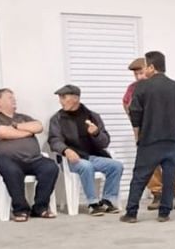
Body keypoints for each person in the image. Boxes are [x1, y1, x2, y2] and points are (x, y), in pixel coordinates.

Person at [121, 50, 175, 223]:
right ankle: (164, 213)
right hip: (173, 140)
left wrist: (138, 135)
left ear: (152, 67)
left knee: (139, 177)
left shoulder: (142, 87)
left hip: (150, 140)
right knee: (170, 178)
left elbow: (135, 113)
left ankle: (131, 213)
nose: (143, 70)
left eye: (145, 66)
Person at [0, 88, 59, 221]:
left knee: (51, 167)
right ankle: (21, 210)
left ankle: (40, 208)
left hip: (33, 159)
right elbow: (2, 132)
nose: (14, 100)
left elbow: (38, 127)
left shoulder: (23, 117)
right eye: (10, 97)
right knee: (12, 170)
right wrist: (27, 131)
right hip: (7, 160)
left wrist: (16, 126)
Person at [47, 85, 123, 215]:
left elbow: (105, 142)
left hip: (93, 156)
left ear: (76, 98)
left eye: (64, 97)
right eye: (60, 98)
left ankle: (107, 201)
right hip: (72, 159)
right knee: (86, 166)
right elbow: (54, 140)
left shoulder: (93, 116)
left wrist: (96, 133)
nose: (61, 101)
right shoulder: (57, 119)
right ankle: (93, 204)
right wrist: (66, 150)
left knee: (116, 166)